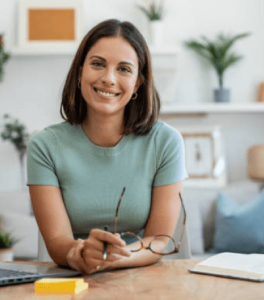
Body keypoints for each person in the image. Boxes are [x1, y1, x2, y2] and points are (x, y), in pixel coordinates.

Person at [27, 19, 188, 274]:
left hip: (142, 281)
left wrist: (112, 258)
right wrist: (79, 254)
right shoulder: (44, 146)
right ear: (80, 72)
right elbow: (57, 243)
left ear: (137, 84)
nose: (109, 78)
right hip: (74, 280)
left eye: (124, 69)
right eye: (98, 64)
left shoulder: (166, 142)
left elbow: (160, 240)